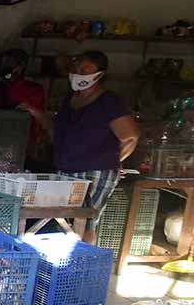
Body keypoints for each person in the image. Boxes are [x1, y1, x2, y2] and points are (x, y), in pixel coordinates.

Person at [21, 51, 140, 243]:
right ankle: (67, 263)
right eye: (75, 69)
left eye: (84, 69)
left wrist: (112, 163)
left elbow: (131, 137)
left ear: (99, 74)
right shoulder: (71, 101)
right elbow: (56, 132)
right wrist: (36, 113)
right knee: (66, 220)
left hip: (95, 173)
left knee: (85, 222)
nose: (78, 73)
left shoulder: (109, 101)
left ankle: (81, 264)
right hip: (66, 169)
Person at [0, 48, 50, 170]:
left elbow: (39, 120)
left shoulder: (34, 90)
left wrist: (36, 144)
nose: (4, 66)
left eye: (9, 63)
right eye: (3, 63)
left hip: (23, 145)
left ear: (20, 67)